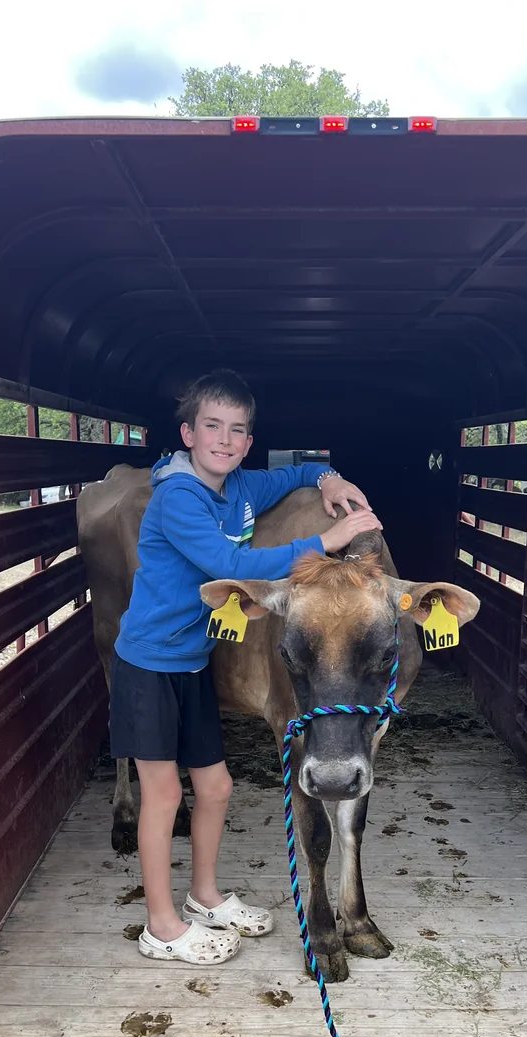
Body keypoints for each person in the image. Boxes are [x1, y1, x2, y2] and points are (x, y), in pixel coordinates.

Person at [111, 369, 383, 965]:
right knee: (163, 797)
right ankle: (162, 925)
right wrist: (328, 543)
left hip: (191, 665)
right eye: (212, 426)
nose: (225, 439)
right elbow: (225, 560)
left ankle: (205, 897)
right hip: (150, 665)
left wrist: (328, 477)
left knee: (217, 785)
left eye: (237, 430)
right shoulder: (178, 496)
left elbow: (296, 474)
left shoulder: (240, 487)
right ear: (187, 433)